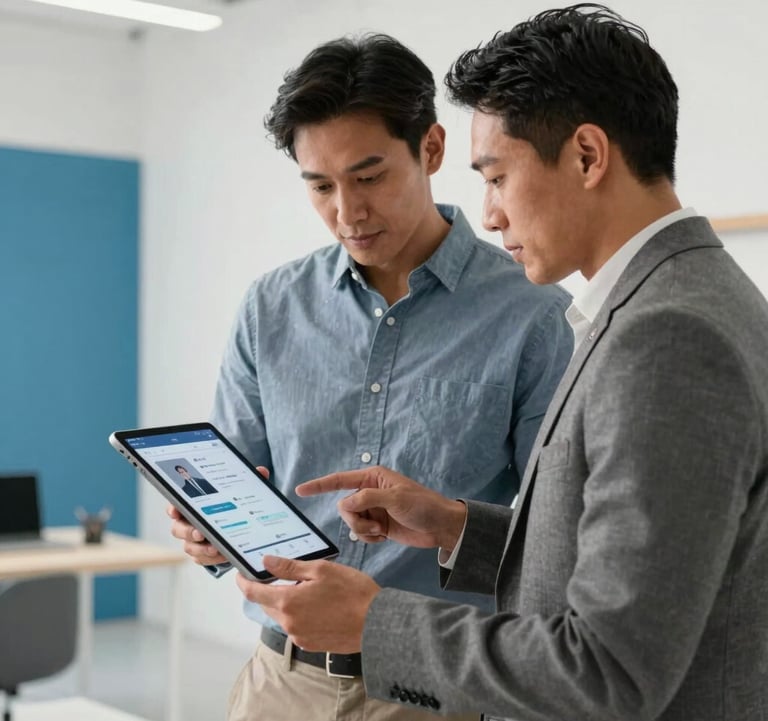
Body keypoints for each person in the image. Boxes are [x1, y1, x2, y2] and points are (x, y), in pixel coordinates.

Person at [236, 6, 768, 721]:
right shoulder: (678, 298)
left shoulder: (667, 334)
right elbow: (601, 566)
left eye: (496, 176)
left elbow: (608, 670)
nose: (488, 214)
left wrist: (375, 621)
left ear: (586, 156)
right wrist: (456, 525)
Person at [169, 32, 573, 721]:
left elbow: (556, 537)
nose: (347, 212)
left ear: (433, 150)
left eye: (369, 176)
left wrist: (448, 523)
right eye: (320, 186)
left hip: (428, 689)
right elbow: (237, 486)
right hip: (278, 681)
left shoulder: (533, 314)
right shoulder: (270, 307)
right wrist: (208, 532)